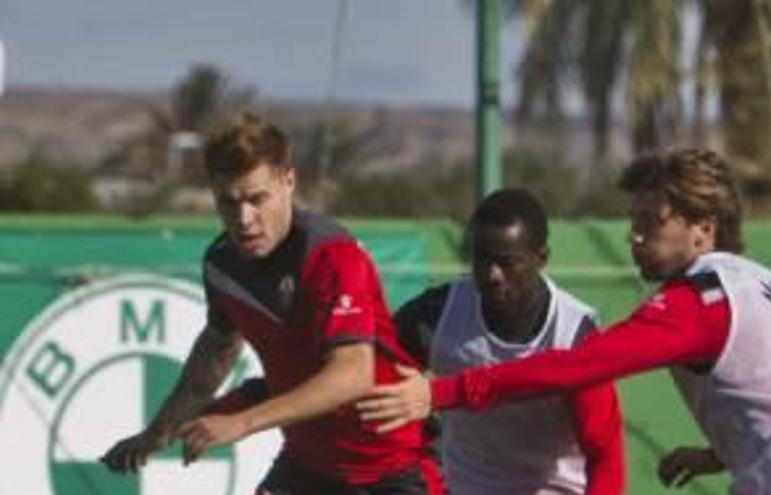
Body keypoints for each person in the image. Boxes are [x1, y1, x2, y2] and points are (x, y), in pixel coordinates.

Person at [358, 149, 771, 494]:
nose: (635, 237)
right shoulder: (766, 287)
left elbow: (576, 368)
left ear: (703, 229)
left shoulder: (699, 305)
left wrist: (438, 394)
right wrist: (719, 453)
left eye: (651, 223)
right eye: (633, 223)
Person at [101, 113, 445, 495]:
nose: (244, 219)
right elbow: (214, 355)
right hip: (307, 465)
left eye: (256, 199)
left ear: (288, 182)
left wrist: (243, 422)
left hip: (389, 469)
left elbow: (351, 375)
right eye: (228, 203)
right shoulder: (222, 263)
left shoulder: (332, 257)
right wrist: (155, 434)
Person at [209, 188, 626, 495]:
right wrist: (234, 406)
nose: (493, 274)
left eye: (508, 262)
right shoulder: (437, 314)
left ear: (542, 259)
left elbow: (605, 452)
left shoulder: (574, 334)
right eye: (482, 259)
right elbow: (346, 375)